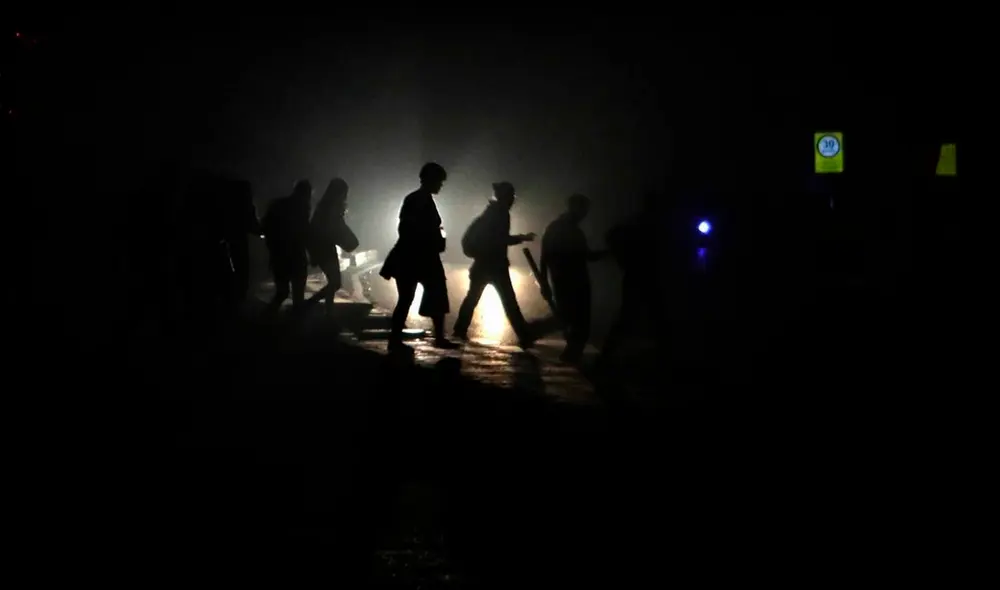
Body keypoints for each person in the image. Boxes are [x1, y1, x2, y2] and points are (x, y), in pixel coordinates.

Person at [379, 163, 457, 350]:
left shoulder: (419, 199)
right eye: (439, 181)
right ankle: (434, 337)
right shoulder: (418, 200)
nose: (441, 185)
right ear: (430, 180)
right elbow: (406, 229)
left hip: (414, 257)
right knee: (426, 294)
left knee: (415, 297)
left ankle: (398, 338)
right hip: (416, 257)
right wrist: (431, 240)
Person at [453, 181, 536, 348]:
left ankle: (459, 330)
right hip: (494, 265)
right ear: (505, 197)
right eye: (511, 196)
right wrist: (522, 238)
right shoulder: (501, 214)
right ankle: (524, 335)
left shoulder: (490, 213)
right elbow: (500, 239)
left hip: (483, 264)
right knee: (509, 302)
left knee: (473, 298)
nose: (513, 200)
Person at [539, 193, 607, 362]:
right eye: (584, 210)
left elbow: (545, 256)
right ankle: (536, 332)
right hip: (572, 281)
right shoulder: (567, 230)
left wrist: (544, 281)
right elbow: (546, 255)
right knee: (577, 319)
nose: (585, 214)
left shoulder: (558, 228)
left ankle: (570, 351)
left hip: (564, 280)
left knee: (568, 317)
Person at [307, 178, 359, 316]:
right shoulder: (331, 208)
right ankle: (310, 305)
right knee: (335, 282)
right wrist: (348, 241)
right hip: (325, 248)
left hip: (324, 247)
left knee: (333, 281)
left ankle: (328, 311)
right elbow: (334, 229)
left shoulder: (324, 207)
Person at [262, 179, 313, 315]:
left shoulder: (278, 205)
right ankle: (295, 325)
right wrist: (312, 253)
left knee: (282, 292)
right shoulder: (302, 208)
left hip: (279, 255)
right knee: (298, 294)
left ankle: (266, 318)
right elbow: (304, 233)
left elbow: (265, 227)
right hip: (296, 255)